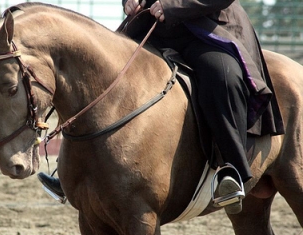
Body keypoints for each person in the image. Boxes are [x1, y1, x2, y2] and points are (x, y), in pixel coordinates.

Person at [38, 0, 285, 214]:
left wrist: (173, 5)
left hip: (208, 27)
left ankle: (233, 169)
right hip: (153, 26)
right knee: (98, 71)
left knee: (222, 77)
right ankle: (69, 170)